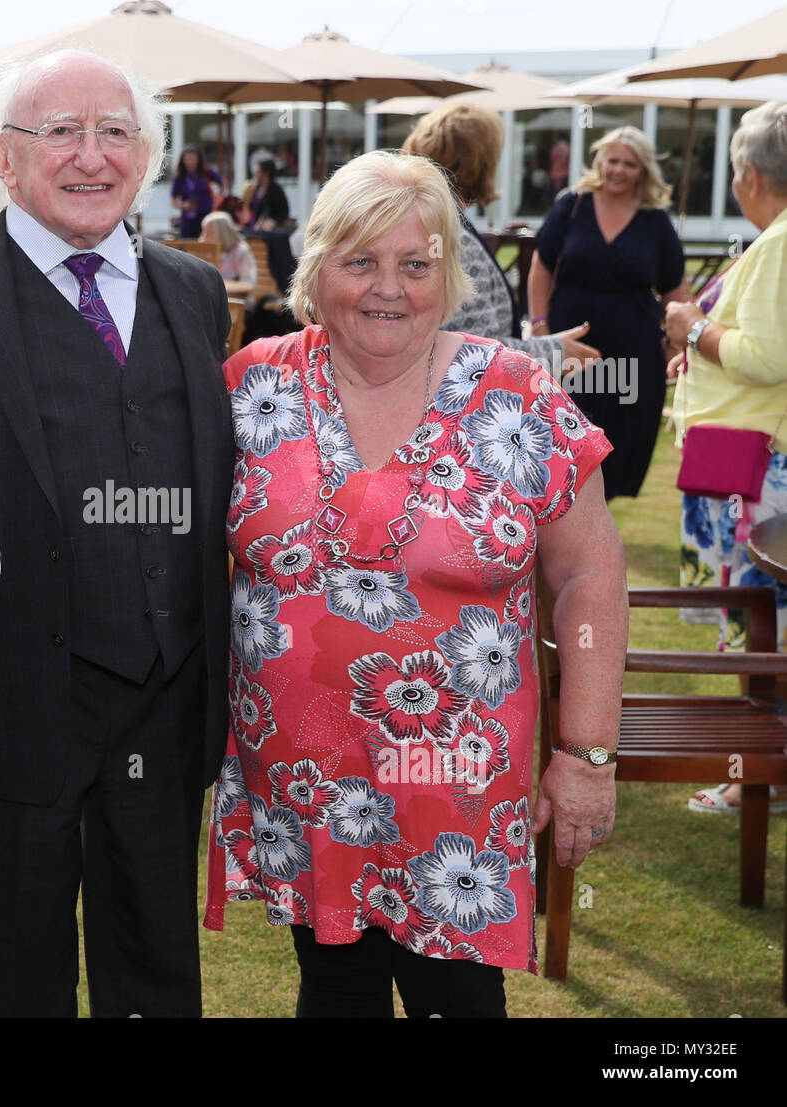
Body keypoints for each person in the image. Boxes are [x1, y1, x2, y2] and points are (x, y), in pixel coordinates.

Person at [205, 150, 627, 1017]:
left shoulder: (515, 395)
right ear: (316, 269)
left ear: (450, 274)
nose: (387, 287)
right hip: (304, 785)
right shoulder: (250, 389)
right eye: (360, 261)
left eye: (415, 262)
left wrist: (586, 752)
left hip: (455, 786)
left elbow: (589, 570)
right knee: (334, 987)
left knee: (457, 999)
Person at [0, 49, 233, 1018]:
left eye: (114, 131)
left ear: (146, 154)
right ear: (3, 153)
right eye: (61, 132)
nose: (91, 156)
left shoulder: (193, 293)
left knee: (156, 967)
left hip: (165, 697)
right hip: (11, 706)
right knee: (19, 969)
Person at [662, 101, 787, 816]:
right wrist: (702, 355)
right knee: (763, 625)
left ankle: (755, 779)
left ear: (748, 173)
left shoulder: (776, 243)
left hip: (756, 470)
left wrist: (693, 327)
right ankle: (762, 774)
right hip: (752, 463)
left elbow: (767, 356)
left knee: (759, 630)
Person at [529, 126, 687, 500]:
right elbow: (541, 266)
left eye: (629, 164)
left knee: (619, 445)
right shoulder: (572, 205)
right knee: (561, 444)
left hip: (632, 356)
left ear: (643, 170)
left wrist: (677, 343)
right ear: (600, 161)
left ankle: (595, 536)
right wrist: (539, 326)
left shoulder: (656, 221)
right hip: (571, 353)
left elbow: (676, 290)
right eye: (612, 160)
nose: (618, 170)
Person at [402, 103, 600, 370]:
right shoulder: (451, 238)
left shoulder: (432, 223)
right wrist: (554, 351)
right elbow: (473, 349)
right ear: (480, 161)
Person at [200, 210, 257, 291]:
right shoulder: (206, 251)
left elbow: (248, 282)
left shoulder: (241, 251)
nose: (203, 238)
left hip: (236, 298)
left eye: (208, 232)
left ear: (221, 233)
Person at [172, 146, 215, 239]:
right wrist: (183, 205)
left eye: (193, 159)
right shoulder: (180, 177)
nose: (190, 162)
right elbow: (173, 199)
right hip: (188, 220)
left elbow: (222, 183)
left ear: (198, 160)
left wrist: (217, 200)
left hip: (205, 217)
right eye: (187, 159)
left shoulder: (206, 172)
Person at [247, 158, 289, 231]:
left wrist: (273, 222)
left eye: (258, 171)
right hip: (254, 226)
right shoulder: (257, 188)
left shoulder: (276, 190)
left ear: (266, 173)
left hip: (269, 229)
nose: (256, 174)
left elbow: (283, 212)